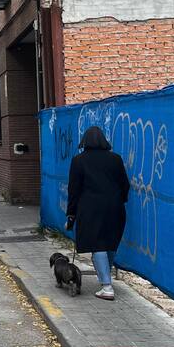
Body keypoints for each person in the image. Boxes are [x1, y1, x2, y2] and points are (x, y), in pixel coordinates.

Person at [66, 126, 130, 301]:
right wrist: (120, 200)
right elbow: (125, 184)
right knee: (110, 242)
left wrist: (71, 213)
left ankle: (107, 286)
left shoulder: (79, 161)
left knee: (97, 244)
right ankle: (106, 278)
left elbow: (74, 189)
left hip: (90, 209)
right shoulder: (115, 159)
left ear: (85, 141)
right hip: (115, 207)